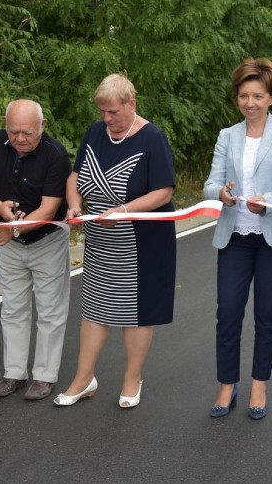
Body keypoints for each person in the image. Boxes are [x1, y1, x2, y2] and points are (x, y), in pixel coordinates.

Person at [54, 73, 176, 409]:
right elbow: (76, 175)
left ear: (131, 104)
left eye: (114, 112)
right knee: (94, 307)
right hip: (101, 241)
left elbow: (163, 191)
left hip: (142, 241)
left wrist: (123, 210)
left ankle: (132, 378)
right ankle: (84, 378)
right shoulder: (95, 132)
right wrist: (75, 204)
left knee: (135, 312)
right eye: (103, 112)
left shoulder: (152, 138)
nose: (107, 119)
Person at [203, 57, 272, 420]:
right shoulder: (226, 136)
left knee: (266, 315)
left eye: (258, 95)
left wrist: (269, 202)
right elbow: (211, 182)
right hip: (235, 236)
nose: (250, 103)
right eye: (244, 95)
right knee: (228, 312)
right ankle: (227, 384)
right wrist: (222, 193)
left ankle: (259, 383)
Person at [0, 100, 72, 400]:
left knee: (50, 311)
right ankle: (14, 372)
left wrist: (12, 229)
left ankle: (44, 376)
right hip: (9, 241)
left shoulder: (55, 155)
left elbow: (50, 208)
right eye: (13, 130)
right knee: (12, 308)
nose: (19, 138)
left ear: (42, 126)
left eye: (27, 131)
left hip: (47, 240)